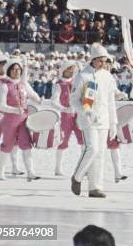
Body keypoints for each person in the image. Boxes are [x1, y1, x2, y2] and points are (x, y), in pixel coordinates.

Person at [70, 43, 118, 198]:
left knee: (100, 153)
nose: (104, 64)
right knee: (92, 149)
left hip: (103, 119)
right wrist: (86, 111)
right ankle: (77, 177)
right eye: (101, 60)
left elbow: (111, 101)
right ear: (93, 59)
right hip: (88, 120)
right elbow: (74, 100)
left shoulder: (108, 76)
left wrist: (113, 123)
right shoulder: (82, 76)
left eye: (105, 60)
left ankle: (95, 187)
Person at [0, 58, 42, 181]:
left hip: (24, 119)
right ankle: (0, 171)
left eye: (18, 69)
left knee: (27, 144)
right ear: (9, 71)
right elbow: (1, 105)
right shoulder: (4, 86)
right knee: (8, 144)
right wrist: (15, 110)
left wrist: (38, 99)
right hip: (9, 120)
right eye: (13, 69)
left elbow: (32, 94)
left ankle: (30, 172)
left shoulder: (23, 84)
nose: (16, 71)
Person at [52, 60, 81, 176]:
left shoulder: (77, 83)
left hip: (78, 114)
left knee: (84, 140)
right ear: (64, 70)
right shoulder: (58, 84)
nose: (72, 70)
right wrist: (64, 109)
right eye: (70, 68)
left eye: (73, 68)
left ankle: (84, 167)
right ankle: (58, 168)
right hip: (65, 116)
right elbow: (53, 101)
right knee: (63, 141)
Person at [104, 55, 128, 183]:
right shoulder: (94, 77)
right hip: (98, 117)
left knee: (114, 143)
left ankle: (118, 173)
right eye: (105, 63)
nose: (107, 65)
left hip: (110, 116)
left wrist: (120, 95)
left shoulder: (111, 78)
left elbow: (115, 93)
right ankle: (87, 170)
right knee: (95, 147)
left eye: (109, 63)